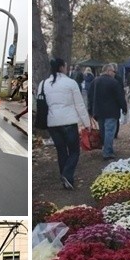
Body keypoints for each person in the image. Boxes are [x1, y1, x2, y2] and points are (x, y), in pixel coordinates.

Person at [42, 57, 91, 190]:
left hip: (52, 123)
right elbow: (80, 105)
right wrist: (86, 123)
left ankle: (66, 180)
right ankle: (67, 174)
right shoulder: (70, 83)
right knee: (74, 150)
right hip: (69, 122)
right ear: (62, 67)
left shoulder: (44, 83)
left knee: (61, 151)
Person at [88, 63, 126, 160]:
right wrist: (124, 108)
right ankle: (107, 152)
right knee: (109, 131)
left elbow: (90, 96)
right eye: (113, 71)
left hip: (98, 111)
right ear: (108, 71)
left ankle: (107, 148)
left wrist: (90, 109)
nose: (114, 73)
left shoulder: (95, 81)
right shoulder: (113, 82)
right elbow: (120, 97)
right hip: (111, 110)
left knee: (103, 131)